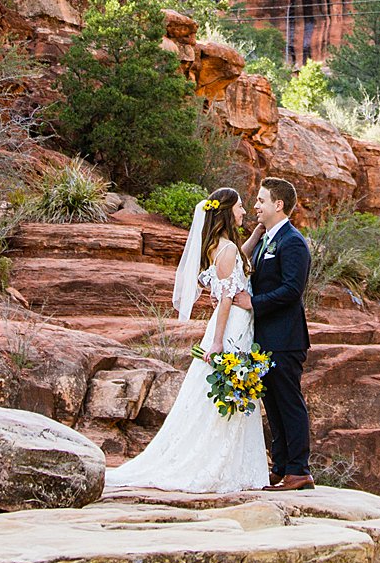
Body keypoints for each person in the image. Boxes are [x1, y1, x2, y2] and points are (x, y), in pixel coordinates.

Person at [104, 186, 270, 494]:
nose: (244, 212)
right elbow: (224, 300)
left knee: (224, 393)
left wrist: (257, 233)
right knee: (226, 390)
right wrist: (219, 343)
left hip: (235, 326)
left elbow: (238, 263)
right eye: (240, 207)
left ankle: (226, 461)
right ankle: (217, 464)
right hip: (231, 329)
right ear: (226, 211)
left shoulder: (220, 247)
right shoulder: (227, 250)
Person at [249, 177, 313, 489]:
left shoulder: (292, 242)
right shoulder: (265, 240)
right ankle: (281, 465)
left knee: (288, 402)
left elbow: (291, 290)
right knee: (272, 405)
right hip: (265, 338)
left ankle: (299, 469)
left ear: (279, 204)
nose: (256, 206)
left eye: (261, 201)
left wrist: (251, 304)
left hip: (286, 339)